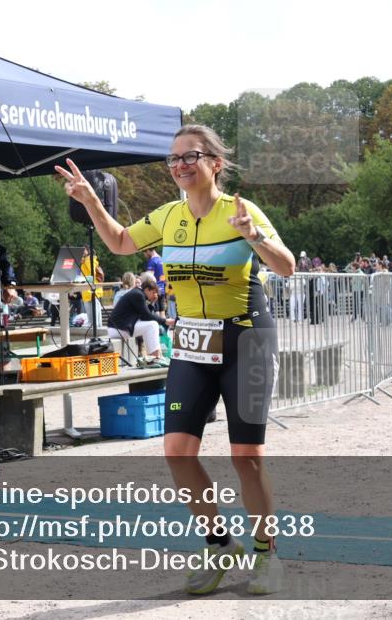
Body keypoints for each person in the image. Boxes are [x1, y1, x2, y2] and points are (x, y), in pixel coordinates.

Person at [56, 124, 295, 595]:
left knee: (246, 456)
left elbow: (286, 265)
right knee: (177, 452)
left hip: (246, 340)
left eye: (191, 157)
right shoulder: (168, 217)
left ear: (214, 163)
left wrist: (255, 238)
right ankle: (221, 546)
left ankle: (267, 554)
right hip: (193, 346)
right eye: (173, 160)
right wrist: (91, 202)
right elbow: (122, 242)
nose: (180, 166)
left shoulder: (240, 211)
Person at [107, 273, 172, 365]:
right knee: (152, 325)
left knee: (151, 325)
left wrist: (152, 303)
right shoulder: (138, 295)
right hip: (118, 329)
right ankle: (155, 358)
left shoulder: (138, 293)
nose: (155, 295)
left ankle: (155, 357)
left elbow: (144, 316)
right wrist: (165, 321)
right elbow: (146, 315)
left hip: (120, 327)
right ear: (147, 290)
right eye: (153, 292)